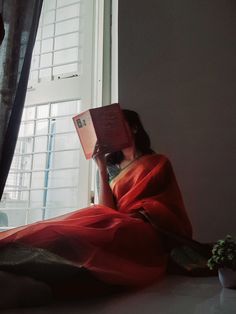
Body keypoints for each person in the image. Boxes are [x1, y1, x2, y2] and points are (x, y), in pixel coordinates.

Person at [0, 108, 192, 307]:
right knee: (59, 232)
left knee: (85, 236)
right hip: (118, 220)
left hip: (145, 228)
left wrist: (144, 212)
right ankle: (11, 260)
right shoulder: (111, 166)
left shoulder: (158, 162)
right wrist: (100, 165)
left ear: (134, 128)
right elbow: (107, 208)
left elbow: (169, 206)